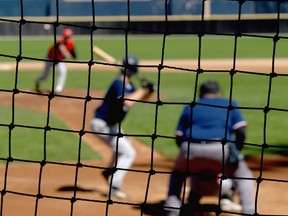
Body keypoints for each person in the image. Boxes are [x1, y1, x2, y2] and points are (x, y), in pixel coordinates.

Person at [164, 80, 255, 215]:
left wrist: (189, 156)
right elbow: (241, 131)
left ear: (201, 93)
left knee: (177, 174)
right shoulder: (229, 103)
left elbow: (179, 136)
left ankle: (172, 208)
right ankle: (249, 211)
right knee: (244, 176)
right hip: (220, 148)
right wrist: (236, 151)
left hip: (190, 148)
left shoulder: (191, 106)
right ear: (218, 93)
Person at [90, 55, 155, 199]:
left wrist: (149, 90)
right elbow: (128, 101)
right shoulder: (118, 84)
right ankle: (114, 185)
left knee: (125, 144)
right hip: (102, 125)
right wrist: (143, 88)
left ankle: (108, 171)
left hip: (110, 126)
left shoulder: (130, 86)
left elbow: (141, 98)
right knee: (128, 152)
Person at [35, 28, 77, 94]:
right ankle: (38, 80)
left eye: (69, 37)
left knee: (63, 72)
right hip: (50, 58)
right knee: (45, 76)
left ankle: (58, 89)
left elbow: (73, 52)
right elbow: (62, 48)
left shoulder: (71, 43)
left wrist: (75, 57)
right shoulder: (60, 42)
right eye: (66, 37)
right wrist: (66, 53)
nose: (68, 38)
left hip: (59, 60)